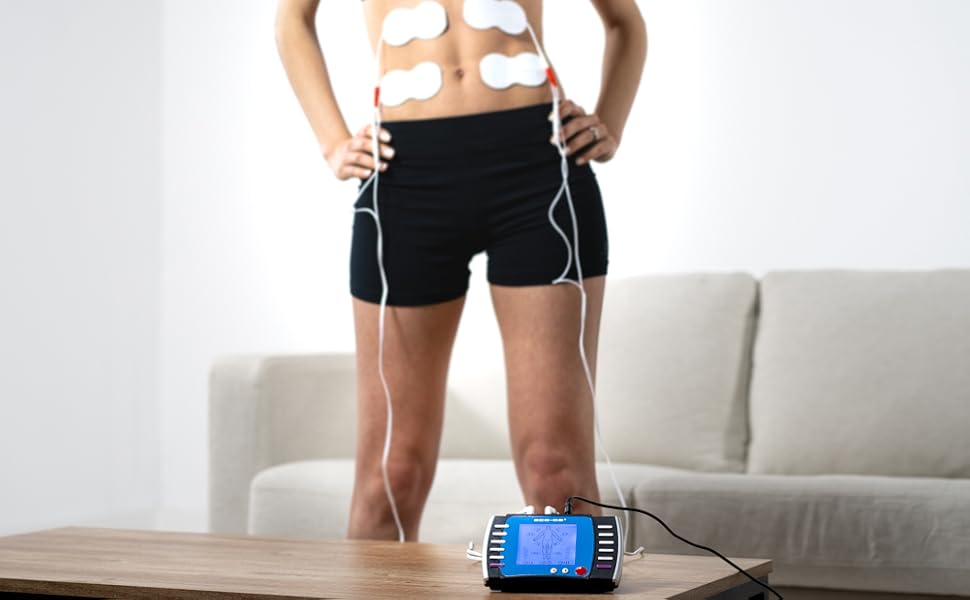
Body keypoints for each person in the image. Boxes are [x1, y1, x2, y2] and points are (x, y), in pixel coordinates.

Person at [274, 0, 647, 541]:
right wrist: (333, 143)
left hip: (538, 173)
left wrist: (609, 122)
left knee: (555, 473)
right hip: (404, 177)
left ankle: (563, 582)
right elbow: (293, 17)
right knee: (390, 480)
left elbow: (624, 21)